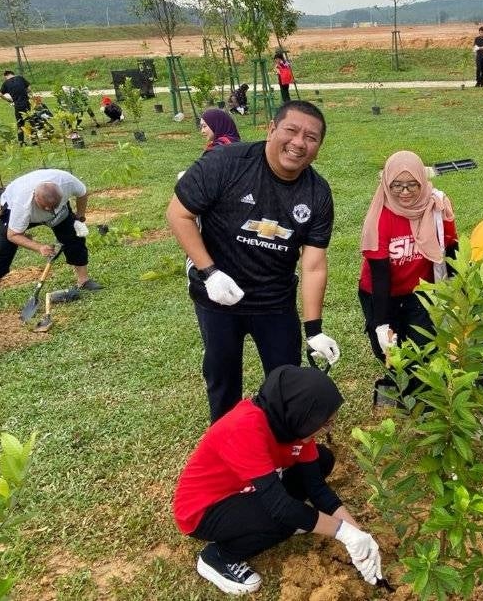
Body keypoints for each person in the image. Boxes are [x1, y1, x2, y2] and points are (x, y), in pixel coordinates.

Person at [166, 100, 341, 423]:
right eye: (291, 130)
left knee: (285, 382)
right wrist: (210, 272)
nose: (299, 143)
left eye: (311, 137)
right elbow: (179, 213)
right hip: (218, 296)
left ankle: (281, 448)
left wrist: (314, 330)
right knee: (222, 377)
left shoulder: (317, 193)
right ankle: (227, 445)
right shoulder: (226, 163)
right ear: (271, 129)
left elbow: (314, 264)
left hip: (275, 302)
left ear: (319, 147)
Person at [173, 365, 383, 595]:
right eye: (323, 423)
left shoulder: (292, 424)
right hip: (205, 509)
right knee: (284, 518)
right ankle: (219, 557)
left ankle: (280, 518)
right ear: (302, 413)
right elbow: (281, 508)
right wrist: (343, 533)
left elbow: (316, 487)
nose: (326, 429)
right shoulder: (244, 428)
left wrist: (359, 535)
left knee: (322, 460)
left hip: (249, 488)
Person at [359, 150, 457, 405]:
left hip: (420, 292)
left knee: (424, 345)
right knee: (388, 348)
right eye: (397, 185)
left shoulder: (436, 206)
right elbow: (380, 275)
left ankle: (420, 397)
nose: (404, 192)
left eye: (412, 184)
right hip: (380, 293)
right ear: (386, 183)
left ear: (422, 182)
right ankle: (399, 388)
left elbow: (451, 249)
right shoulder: (380, 216)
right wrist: (382, 324)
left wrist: (457, 295)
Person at [0, 168, 103, 311]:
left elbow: (83, 193)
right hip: (16, 209)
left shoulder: (67, 182)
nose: (48, 210)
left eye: (52, 207)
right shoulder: (21, 204)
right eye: (45, 207)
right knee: (3, 249)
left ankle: (83, 280)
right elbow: (13, 235)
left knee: (73, 237)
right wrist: (38, 247)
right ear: (35, 197)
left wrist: (80, 217)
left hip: (60, 212)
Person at [0, 70, 31, 145]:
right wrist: (24, 92)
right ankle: (35, 140)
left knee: (20, 124)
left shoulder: (6, 83)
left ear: (5, 76)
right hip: (26, 103)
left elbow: (0, 94)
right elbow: (29, 88)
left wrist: (9, 100)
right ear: (13, 74)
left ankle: (21, 142)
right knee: (31, 121)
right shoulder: (20, 78)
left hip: (18, 105)